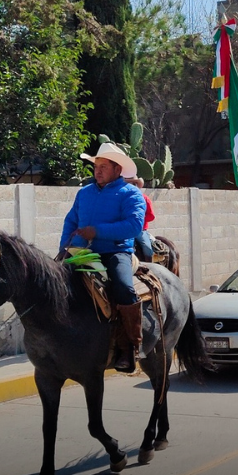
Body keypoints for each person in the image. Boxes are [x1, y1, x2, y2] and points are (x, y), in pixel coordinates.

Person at [60, 143, 148, 373]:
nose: (97, 171)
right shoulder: (84, 193)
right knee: (56, 283)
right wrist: (64, 248)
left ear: (117, 169)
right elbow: (71, 221)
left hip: (116, 251)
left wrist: (96, 231)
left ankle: (129, 347)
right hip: (82, 252)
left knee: (123, 287)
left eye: (103, 167)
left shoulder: (131, 194)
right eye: (96, 166)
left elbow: (134, 225)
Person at [128, 176, 156, 262]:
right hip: (126, 228)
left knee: (147, 247)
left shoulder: (145, 198)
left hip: (140, 229)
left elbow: (151, 216)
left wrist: (138, 220)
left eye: (132, 184)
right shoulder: (123, 199)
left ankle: (150, 265)